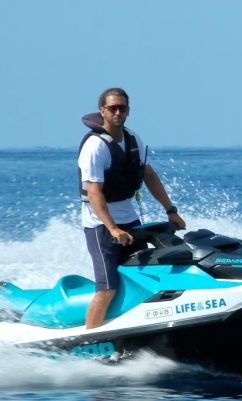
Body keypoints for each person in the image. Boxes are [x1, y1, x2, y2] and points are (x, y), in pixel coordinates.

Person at [78, 87, 185, 329]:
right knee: (108, 288)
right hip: (100, 225)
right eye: (112, 108)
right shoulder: (95, 147)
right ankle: (90, 339)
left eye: (122, 108)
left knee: (144, 276)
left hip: (129, 220)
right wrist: (113, 228)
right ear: (102, 111)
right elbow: (94, 194)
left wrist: (171, 210)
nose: (117, 112)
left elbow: (149, 176)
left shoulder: (134, 139)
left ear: (128, 111)